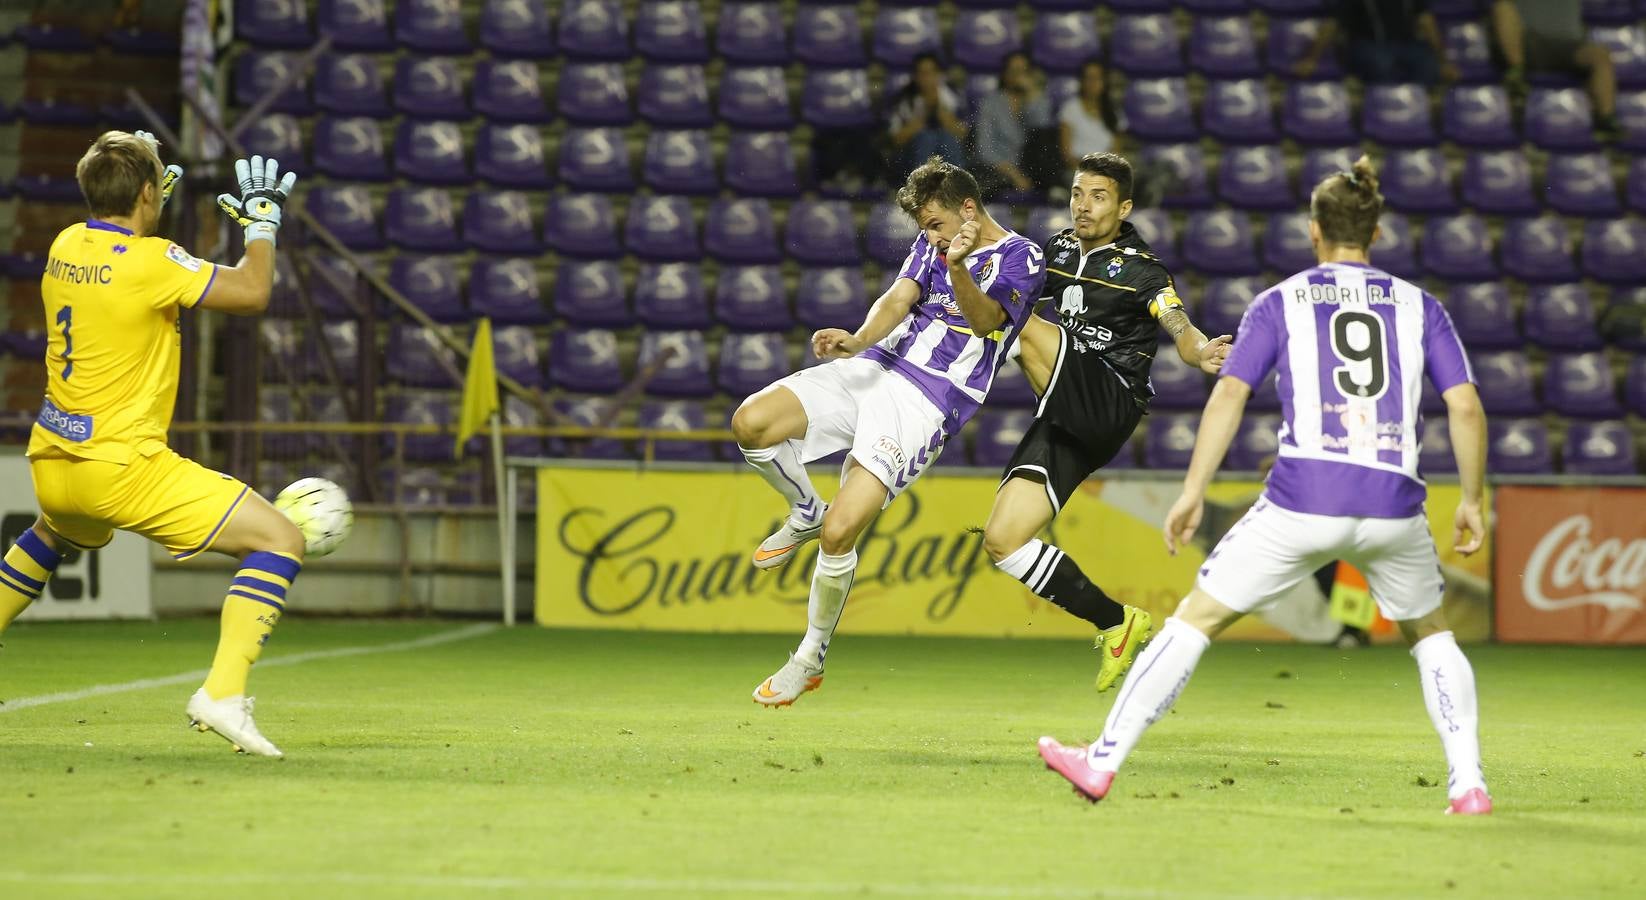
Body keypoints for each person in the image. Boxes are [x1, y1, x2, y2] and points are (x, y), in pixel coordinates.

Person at [1036, 157, 1494, 816]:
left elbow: (1229, 394)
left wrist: (1194, 490)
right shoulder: (1421, 306)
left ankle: (1102, 760)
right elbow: (1466, 407)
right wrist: (1472, 499)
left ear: (1314, 232)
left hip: (1303, 496)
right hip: (1394, 502)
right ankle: (1468, 783)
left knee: (1194, 622)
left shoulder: (1282, 301)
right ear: (1376, 233)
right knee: (1432, 635)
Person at [0, 132, 304, 758]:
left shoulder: (65, 244)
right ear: (147, 193)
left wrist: (138, 189)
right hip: (120, 467)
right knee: (279, 539)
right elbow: (251, 290)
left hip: (54, 464)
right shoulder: (153, 261)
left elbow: (115, 245)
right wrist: (263, 224)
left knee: (53, 534)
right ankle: (222, 694)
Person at [732, 157, 1046, 706]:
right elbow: (900, 297)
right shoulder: (933, 241)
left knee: (840, 534)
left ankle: (808, 658)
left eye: (935, 224)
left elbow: (986, 323)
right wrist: (858, 339)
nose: (931, 236)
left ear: (968, 208)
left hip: (926, 401)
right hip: (876, 366)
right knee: (751, 422)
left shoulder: (1022, 256)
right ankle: (805, 509)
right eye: (926, 227)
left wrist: (957, 266)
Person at [982, 153, 1230, 692]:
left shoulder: (1143, 269)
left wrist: (1199, 350)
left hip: (1110, 399)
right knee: (1003, 541)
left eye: (1098, 197)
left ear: (1124, 208)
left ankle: (944, 389)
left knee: (1015, 317)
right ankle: (1117, 623)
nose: (1083, 206)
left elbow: (1176, 322)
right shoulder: (1058, 251)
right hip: (1064, 412)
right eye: (1077, 194)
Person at [1492, 0, 1618, 139]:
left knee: (1599, 55)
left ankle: (1605, 121)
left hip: (1567, 46)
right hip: (1527, 41)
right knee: (1503, 6)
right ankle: (1516, 77)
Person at [1294, 0, 1457, 85]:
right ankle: (1386, 109)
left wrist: (1444, 62)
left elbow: (1427, 22)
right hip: (1367, 45)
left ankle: (1417, 110)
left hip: (1406, 45)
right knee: (1381, 64)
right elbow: (1332, 24)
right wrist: (1311, 59)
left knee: (1428, 64)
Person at [972, 51, 1058, 199]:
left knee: (1046, 137)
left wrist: (1031, 95)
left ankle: (1055, 190)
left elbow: (1043, 131)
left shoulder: (1038, 100)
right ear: (1004, 74)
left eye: (1022, 71)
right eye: (1013, 71)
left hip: (1032, 167)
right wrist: (1013, 173)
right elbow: (984, 149)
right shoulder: (990, 104)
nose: (1017, 76)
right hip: (1000, 168)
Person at [885, 53, 969, 178]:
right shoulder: (904, 99)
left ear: (939, 74)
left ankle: (956, 182)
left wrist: (941, 111)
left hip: (947, 148)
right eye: (922, 73)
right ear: (915, 76)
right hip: (910, 155)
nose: (927, 78)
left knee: (947, 138)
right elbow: (895, 140)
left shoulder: (953, 96)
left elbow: (963, 134)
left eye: (931, 72)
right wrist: (922, 117)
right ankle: (921, 183)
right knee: (927, 138)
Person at [1058, 60, 1120, 171]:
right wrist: (1089, 173)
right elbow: (1066, 155)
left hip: (1106, 171)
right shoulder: (1070, 109)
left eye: (1097, 78)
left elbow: (1116, 151)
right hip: (1078, 171)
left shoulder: (1113, 111)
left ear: (1104, 81)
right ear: (1082, 81)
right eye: (1088, 78)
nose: (1093, 82)